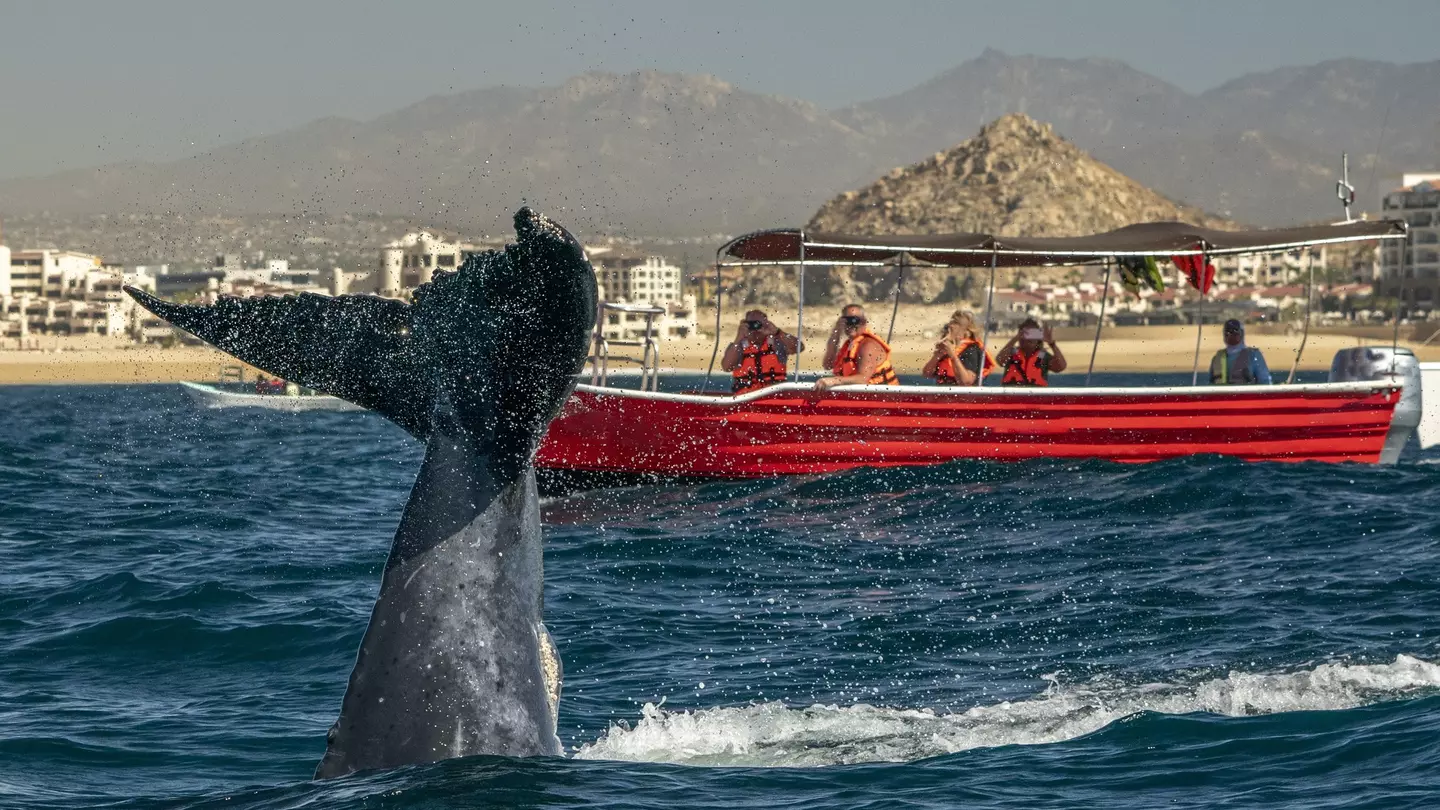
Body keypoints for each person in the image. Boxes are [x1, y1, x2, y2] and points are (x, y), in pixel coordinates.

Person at [816, 304, 898, 390]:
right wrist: (836, 332)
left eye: (855, 320)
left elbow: (863, 379)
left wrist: (834, 380)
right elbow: (828, 364)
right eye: (848, 321)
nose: (851, 325)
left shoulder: (868, 345)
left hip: (883, 397)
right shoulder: (849, 346)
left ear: (864, 322)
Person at [721, 309, 801, 394]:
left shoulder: (776, 344)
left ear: (766, 324)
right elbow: (726, 367)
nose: (755, 329)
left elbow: (799, 347)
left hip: (774, 396)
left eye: (758, 324)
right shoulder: (738, 347)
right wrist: (738, 338)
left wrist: (777, 332)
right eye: (751, 324)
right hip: (745, 397)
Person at [922, 310, 995, 385]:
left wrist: (953, 356)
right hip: (942, 394)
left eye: (956, 324)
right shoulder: (946, 348)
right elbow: (927, 374)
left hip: (963, 395)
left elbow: (966, 382)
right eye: (950, 324)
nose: (950, 327)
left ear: (967, 331)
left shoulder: (972, 349)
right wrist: (938, 355)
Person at [995, 318, 1067, 386]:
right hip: (1011, 396)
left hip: (1035, 397)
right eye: (1025, 333)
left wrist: (1052, 344)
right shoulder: (1011, 353)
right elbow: (999, 360)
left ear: (1038, 337)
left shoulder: (1043, 356)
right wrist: (1015, 339)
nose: (1028, 338)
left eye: (1033, 334)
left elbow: (1061, 367)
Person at [1209, 319, 1272, 385]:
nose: (1231, 334)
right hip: (1222, 394)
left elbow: (1265, 382)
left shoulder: (1253, 355)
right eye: (1228, 331)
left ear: (1241, 333)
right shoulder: (1217, 358)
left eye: (1234, 331)